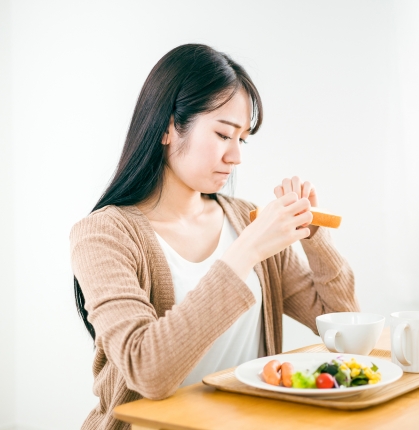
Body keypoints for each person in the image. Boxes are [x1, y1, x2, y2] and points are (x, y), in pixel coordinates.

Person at [70, 43, 359, 430]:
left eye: (242, 139)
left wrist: (313, 236)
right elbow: (148, 371)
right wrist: (244, 252)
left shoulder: (245, 219)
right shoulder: (103, 235)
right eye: (224, 135)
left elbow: (344, 328)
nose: (236, 156)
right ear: (168, 127)